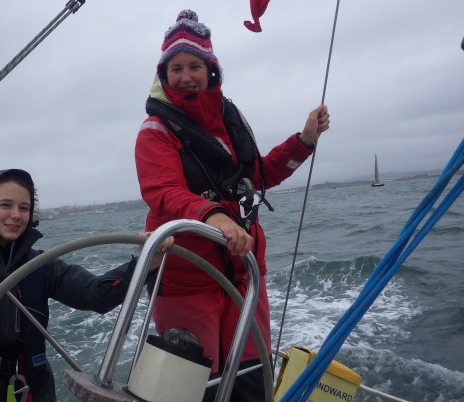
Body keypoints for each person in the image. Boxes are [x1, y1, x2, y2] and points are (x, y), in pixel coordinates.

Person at [134, 10, 330, 401]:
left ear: (211, 70)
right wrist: (214, 215)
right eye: (176, 68)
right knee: (191, 391)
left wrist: (304, 142)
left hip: (245, 280)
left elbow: (259, 176)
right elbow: (163, 191)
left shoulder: (229, 122)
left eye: (194, 66)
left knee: (251, 385)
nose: (186, 76)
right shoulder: (155, 131)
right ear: (163, 74)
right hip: (187, 282)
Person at [0, 169, 172, 402]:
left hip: (32, 391)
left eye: (24, 208)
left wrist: (146, 263)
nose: (16, 215)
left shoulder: (40, 264)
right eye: (5, 205)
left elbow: (95, 294)